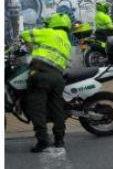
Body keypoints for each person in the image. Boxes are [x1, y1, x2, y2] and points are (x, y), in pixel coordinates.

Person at [20, 13, 73, 152]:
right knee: (57, 109)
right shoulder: (66, 41)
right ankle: (59, 140)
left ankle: (42, 140)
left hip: (41, 74)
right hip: (57, 78)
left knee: (37, 108)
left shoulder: (49, 32)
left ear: (53, 23)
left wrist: (31, 47)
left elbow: (25, 34)